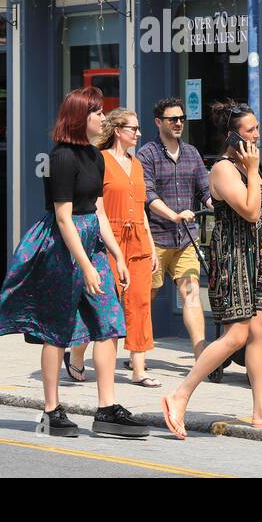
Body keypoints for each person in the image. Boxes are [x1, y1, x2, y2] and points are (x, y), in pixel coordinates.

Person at [0, 87, 149, 439]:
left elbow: (97, 211)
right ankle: (51, 410)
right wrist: (86, 265)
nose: (102, 118)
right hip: (64, 249)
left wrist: (116, 254)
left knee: (110, 323)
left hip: (92, 243)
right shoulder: (61, 158)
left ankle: (107, 408)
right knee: (58, 329)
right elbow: (64, 218)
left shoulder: (95, 157)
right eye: (96, 112)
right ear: (80, 118)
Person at [160, 100, 262, 439]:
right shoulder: (224, 168)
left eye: (257, 127)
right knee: (236, 332)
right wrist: (252, 171)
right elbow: (251, 211)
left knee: (261, 326)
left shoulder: (245, 160)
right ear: (232, 136)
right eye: (250, 129)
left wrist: (252, 168)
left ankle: (261, 409)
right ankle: (180, 395)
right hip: (235, 255)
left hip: (259, 253)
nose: (257, 134)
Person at [137, 98, 212, 361]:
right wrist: (173, 215)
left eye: (181, 118)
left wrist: (215, 204)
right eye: (173, 119)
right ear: (159, 122)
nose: (179, 123)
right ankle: (138, 354)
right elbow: (147, 194)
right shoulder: (146, 154)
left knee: (191, 292)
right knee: (147, 296)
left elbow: (204, 190)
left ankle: (202, 356)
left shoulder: (191, 153)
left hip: (185, 239)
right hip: (155, 238)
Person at [97, 108, 160, 386]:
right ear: (117, 130)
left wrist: (152, 246)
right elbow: (96, 208)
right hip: (110, 238)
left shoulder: (136, 164)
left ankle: (138, 370)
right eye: (133, 129)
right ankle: (76, 356)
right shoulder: (101, 161)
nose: (138, 133)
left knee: (140, 302)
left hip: (138, 239)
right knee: (106, 302)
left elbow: (142, 209)